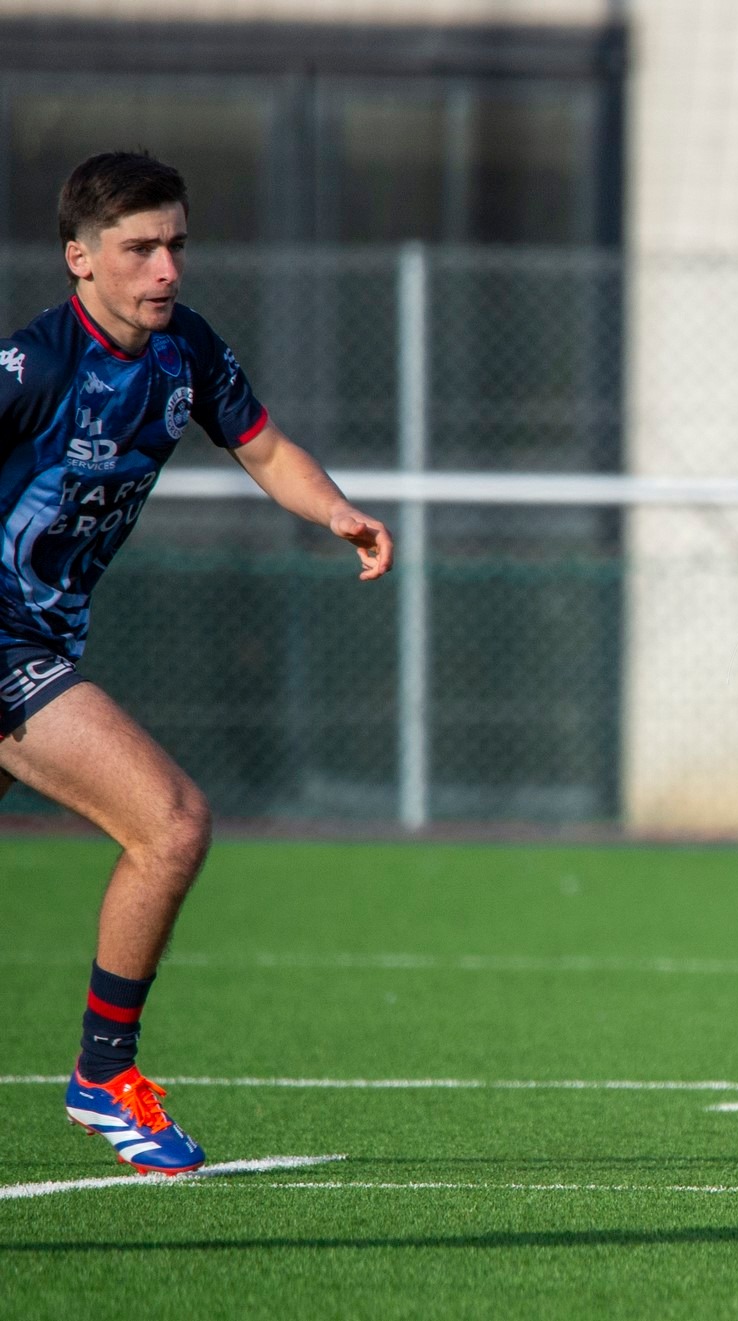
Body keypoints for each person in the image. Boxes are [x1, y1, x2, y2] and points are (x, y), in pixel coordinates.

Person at [0, 151, 394, 1175]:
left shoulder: (185, 355)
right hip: (6, 646)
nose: (166, 270)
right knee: (169, 822)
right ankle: (103, 1075)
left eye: (176, 244)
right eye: (139, 249)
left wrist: (337, 511)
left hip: (42, 640)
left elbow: (263, 448)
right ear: (80, 260)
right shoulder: (35, 368)